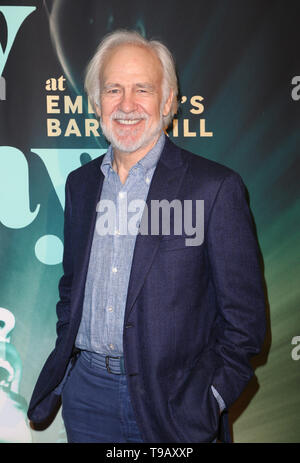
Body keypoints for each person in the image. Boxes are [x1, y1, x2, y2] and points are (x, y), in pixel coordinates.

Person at [28, 29, 266, 443]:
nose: (126, 105)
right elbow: (72, 288)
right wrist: (71, 373)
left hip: (173, 406)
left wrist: (209, 398)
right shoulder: (80, 185)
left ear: (169, 101)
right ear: (96, 103)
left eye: (143, 89)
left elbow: (244, 323)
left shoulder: (215, 188)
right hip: (87, 399)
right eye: (113, 90)